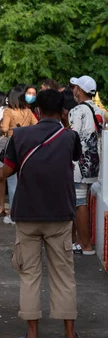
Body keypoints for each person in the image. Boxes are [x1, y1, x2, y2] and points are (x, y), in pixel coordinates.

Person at [3, 89, 84, 338]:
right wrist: (66, 122)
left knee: (29, 276)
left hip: (27, 214)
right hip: (60, 215)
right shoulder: (69, 136)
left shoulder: (20, 135)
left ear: (36, 109)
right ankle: (70, 337)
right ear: (63, 111)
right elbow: (75, 157)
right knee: (64, 275)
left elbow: (6, 171)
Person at [69, 76, 103, 255]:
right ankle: (79, 242)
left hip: (79, 164)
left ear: (80, 90)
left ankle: (85, 245)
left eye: (74, 87)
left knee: (79, 203)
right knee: (81, 201)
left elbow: (72, 137)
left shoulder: (77, 111)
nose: (73, 90)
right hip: (94, 163)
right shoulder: (99, 111)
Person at [0, 86, 38, 223]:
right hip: (24, 146)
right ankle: (19, 210)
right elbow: (37, 127)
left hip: (8, 145)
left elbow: (4, 129)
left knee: (6, 178)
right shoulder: (29, 112)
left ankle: (11, 211)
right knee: (20, 179)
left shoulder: (8, 111)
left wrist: (4, 127)